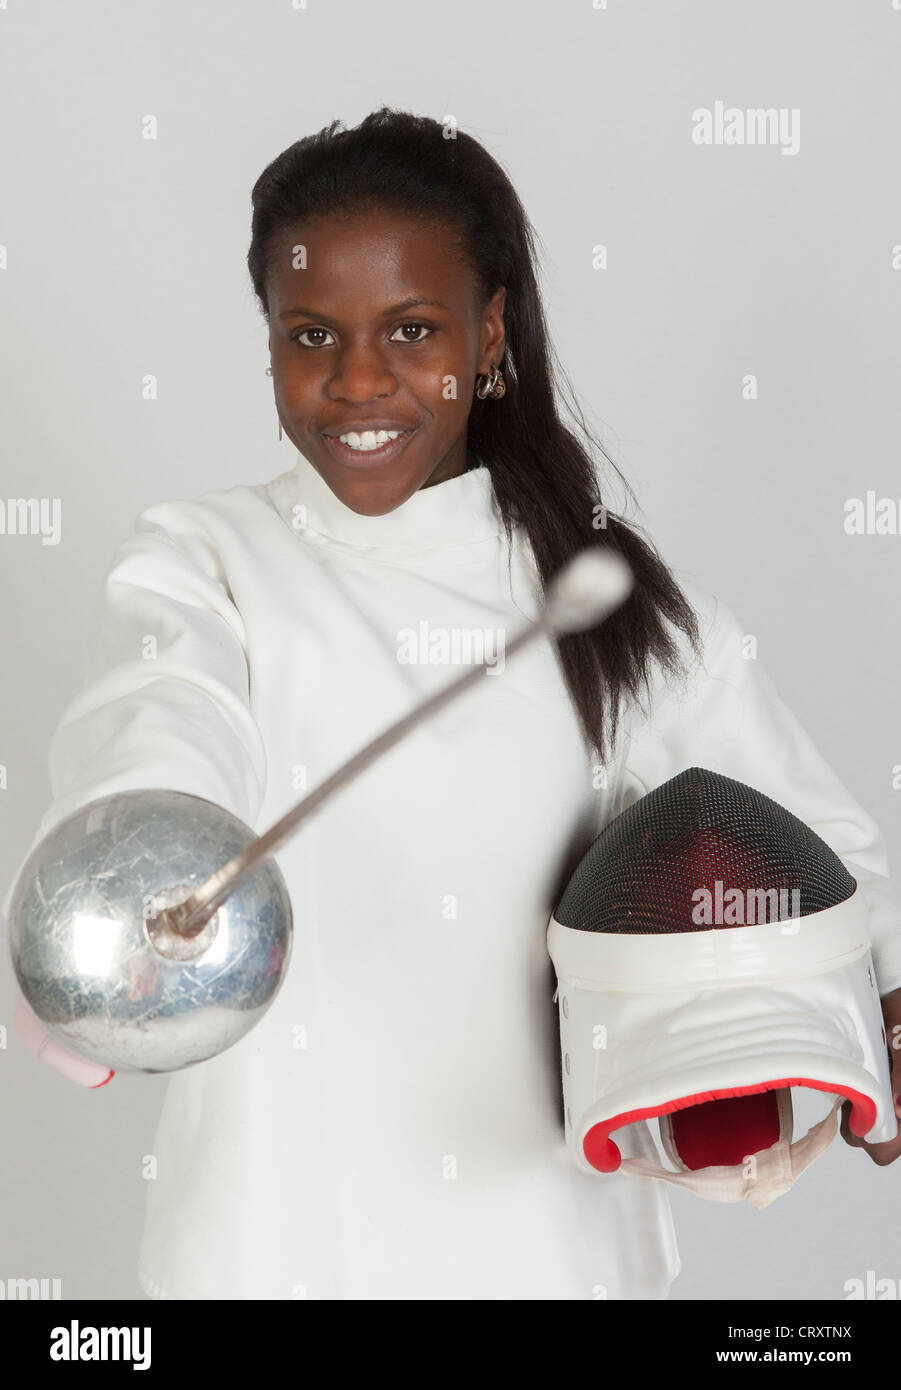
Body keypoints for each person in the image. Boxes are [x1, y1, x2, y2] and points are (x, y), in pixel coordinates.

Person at [8, 107, 901, 1300]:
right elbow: (160, 718)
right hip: (263, 1250)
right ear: (267, 339)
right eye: (312, 334)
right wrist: (124, 884)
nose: (360, 380)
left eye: (413, 330)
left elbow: (830, 864)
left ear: (488, 338)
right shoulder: (204, 558)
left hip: (557, 1256)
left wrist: (858, 1016)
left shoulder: (601, 596)